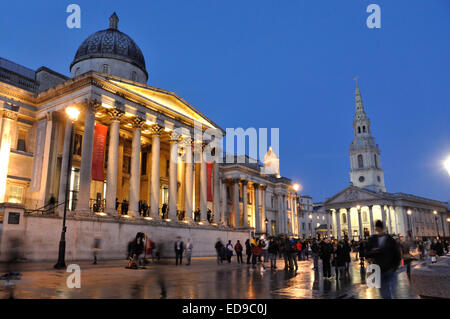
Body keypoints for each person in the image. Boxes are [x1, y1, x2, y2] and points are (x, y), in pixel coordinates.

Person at [366, 220, 401, 299]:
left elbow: (397, 254)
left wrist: (394, 267)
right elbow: (367, 253)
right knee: (386, 294)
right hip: (380, 270)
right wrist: (372, 252)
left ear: (378, 228)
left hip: (390, 270)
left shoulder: (389, 239)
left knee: (392, 292)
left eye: (377, 227)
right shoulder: (373, 239)